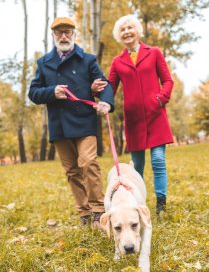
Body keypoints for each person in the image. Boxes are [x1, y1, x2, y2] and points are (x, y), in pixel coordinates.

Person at [28, 17, 114, 228]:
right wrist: (52, 92)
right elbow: (33, 92)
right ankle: (84, 212)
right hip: (59, 125)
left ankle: (97, 210)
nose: (64, 36)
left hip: (84, 121)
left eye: (67, 32)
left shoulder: (87, 59)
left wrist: (105, 102)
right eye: (59, 33)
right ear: (53, 36)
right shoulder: (44, 62)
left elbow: (105, 85)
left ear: (74, 34)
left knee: (88, 163)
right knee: (72, 171)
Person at [92, 14, 174, 216]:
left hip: (156, 116)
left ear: (138, 31)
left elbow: (168, 81)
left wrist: (160, 99)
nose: (127, 32)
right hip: (134, 120)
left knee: (158, 160)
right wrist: (99, 96)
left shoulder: (154, 53)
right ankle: (138, 203)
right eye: (122, 30)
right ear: (119, 36)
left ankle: (161, 205)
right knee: (137, 166)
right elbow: (110, 88)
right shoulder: (118, 62)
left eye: (130, 27)